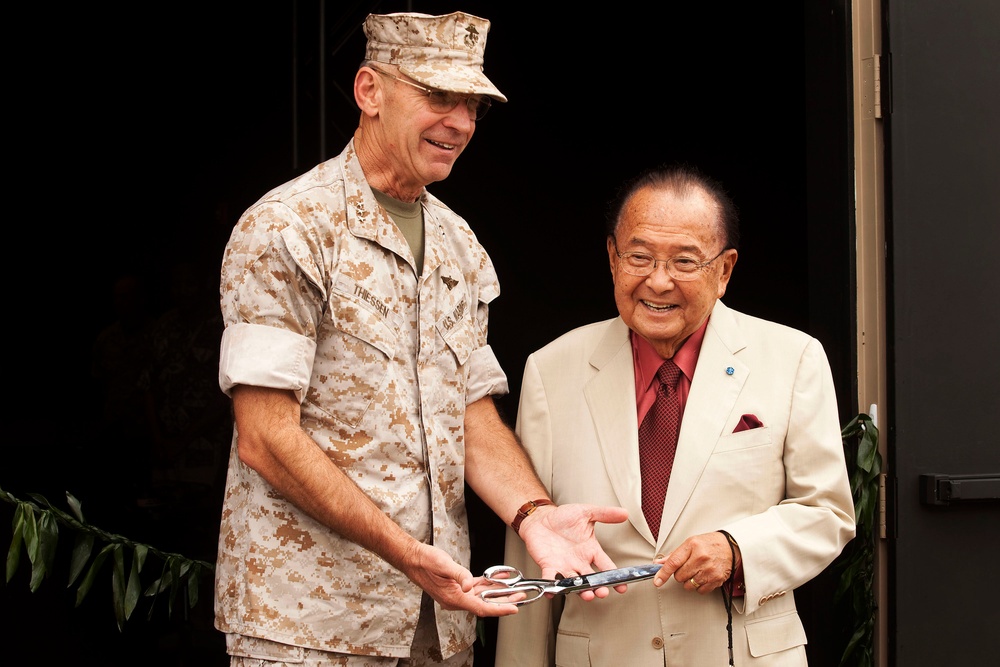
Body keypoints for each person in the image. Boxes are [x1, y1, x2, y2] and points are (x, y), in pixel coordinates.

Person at [213, 11, 628, 666]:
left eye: (472, 107)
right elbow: (265, 436)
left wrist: (533, 513)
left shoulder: (459, 245)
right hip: (308, 628)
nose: (460, 123)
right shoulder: (288, 227)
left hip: (437, 627)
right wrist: (406, 552)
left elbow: (470, 412)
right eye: (438, 97)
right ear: (369, 91)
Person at [495, 163, 856, 666]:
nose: (658, 282)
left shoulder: (793, 358)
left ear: (725, 269)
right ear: (611, 257)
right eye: (638, 257)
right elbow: (532, 542)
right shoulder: (552, 369)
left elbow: (828, 513)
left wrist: (737, 550)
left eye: (685, 262)